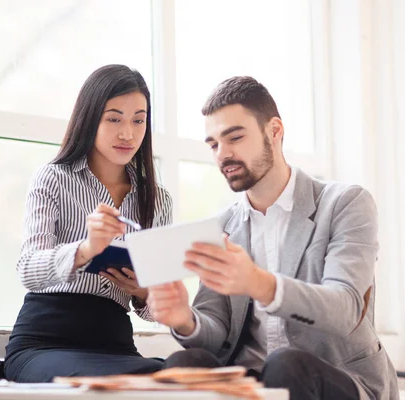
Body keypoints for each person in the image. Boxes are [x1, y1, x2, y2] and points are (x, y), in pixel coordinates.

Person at [147, 76, 399, 400]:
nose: (223, 154)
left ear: (274, 131)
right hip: (254, 379)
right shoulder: (222, 225)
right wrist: (185, 320)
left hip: (339, 377)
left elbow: (346, 307)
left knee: (285, 366)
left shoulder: (346, 203)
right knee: (184, 362)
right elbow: (216, 332)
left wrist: (259, 283)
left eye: (234, 137)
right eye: (213, 145)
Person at [4, 64, 173, 383]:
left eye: (139, 120)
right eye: (114, 119)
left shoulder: (158, 201)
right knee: (102, 385)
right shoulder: (52, 178)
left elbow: (155, 311)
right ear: (90, 118)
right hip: (46, 344)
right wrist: (85, 250)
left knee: (183, 374)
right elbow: (28, 269)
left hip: (116, 346)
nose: (128, 133)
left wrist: (141, 291)